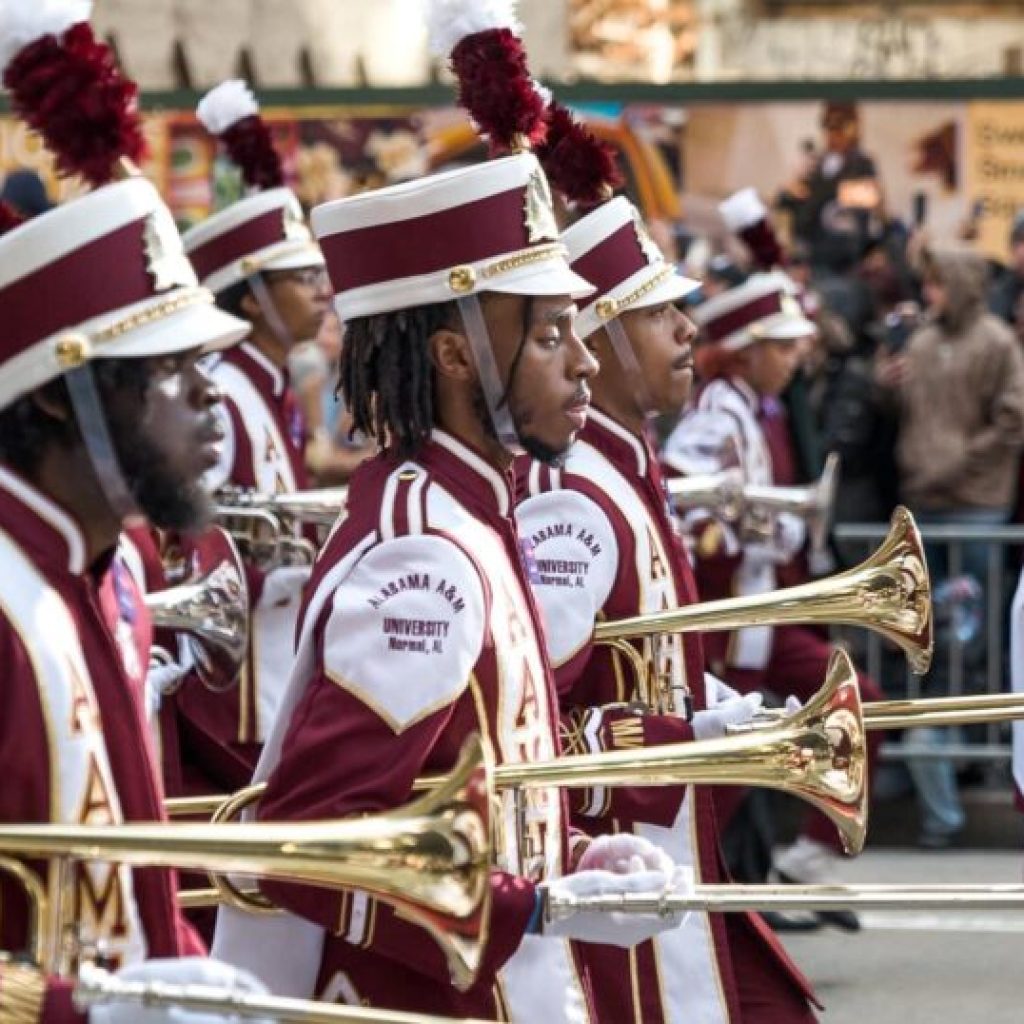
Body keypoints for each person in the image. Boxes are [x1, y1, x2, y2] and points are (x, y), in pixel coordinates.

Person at [213, 153, 689, 1021]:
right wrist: (532, 904)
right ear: (453, 356)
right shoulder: (424, 555)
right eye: (549, 335)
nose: (584, 364)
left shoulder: (470, 512)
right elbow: (321, 839)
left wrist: (570, 856)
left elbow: (468, 785)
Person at [0, 99, 273, 1024]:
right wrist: (84, 1010)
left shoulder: (117, 578)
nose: (211, 396)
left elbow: (128, 876)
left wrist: (179, 964)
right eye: (167, 369)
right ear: (51, 401)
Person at [517, 198, 820, 1022]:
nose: (690, 331)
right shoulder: (572, 498)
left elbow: (640, 664)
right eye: (659, 314)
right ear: (599, 339)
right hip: (621, 866)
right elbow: (531, 725)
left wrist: (720, 708)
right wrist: (688, 734)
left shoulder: (624, 473)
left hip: (666, 845)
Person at [663, 272, 885, 930]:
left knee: (859, 703)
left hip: (759, 615)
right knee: (724, 777)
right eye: (780, 347)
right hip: (731, 622)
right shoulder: (715, 413)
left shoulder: (752, 410)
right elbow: (682, 508)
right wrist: (742, 530)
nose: (793, 359)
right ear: (744, 349)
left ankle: (794, 865)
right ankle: (693, 891)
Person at [176, 81, 332, 791]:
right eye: (302, 277)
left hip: (272, 674)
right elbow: (192, 550)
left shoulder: (266, 385)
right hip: (231, 697)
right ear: (251, 295)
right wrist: (286, 577)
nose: (324, 289)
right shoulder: (223, 394)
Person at [876, 246, 1024, 846]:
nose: (930, 293)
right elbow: (902, 409)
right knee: (925, 641)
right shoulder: (921, 339)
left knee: (974, 643)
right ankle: (926, 761)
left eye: (939, 284)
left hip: (976, 509)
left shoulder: (996, 343)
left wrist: (961, 463)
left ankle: (969, 763)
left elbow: (1013, 416)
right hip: (924, 505)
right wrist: (881, 385)